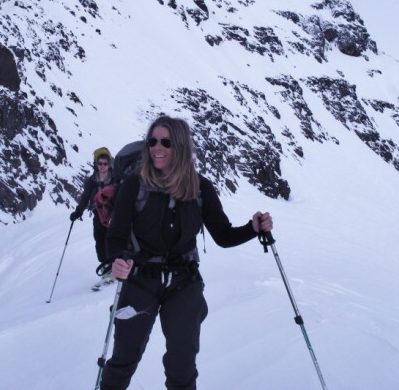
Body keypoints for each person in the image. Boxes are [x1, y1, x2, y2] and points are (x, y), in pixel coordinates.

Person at [100, 115, 273, 390]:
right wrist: (119, 259)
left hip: (184, 282)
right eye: (153, 141)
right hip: (141, 278)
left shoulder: (200, 187)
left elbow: (224, 236)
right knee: (124, 359)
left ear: (179, 146)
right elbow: (116, 236)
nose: (157, 147)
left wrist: (253, 229)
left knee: (182, 365)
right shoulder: (134, 184)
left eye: (166, 142)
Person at [71, 147, 115, 275]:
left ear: (109, 164)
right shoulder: (91, 181)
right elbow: (85, 197)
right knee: (99, 242)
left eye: (105, 163)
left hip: (113, 214)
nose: (102, 166)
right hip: (98, 214)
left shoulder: (115, 179)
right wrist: (78, 211)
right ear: (96, 164)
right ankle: (106, 267)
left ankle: (112, 270)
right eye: (100, 163)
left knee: (111, 240)